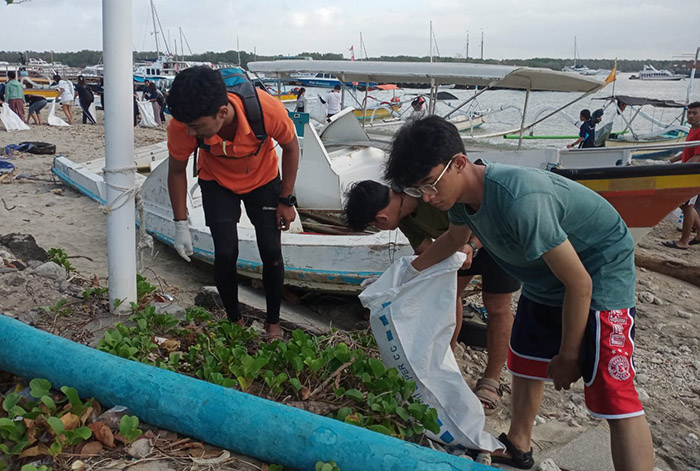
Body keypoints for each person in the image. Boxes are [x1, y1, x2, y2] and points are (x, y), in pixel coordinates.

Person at [384, 116, 654, 470]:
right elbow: (453, 240)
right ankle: (518, 445)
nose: (428, 197)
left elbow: (580, 283)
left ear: (460, 163)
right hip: (546, 276)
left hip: (598, 269)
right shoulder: (462, 201)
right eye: (419, 191)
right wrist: (400, 279)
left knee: (613, 392)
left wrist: (569, 354)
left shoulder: (519, 198)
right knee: (525, 361)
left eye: (430, 184)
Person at [344, 180, 520, 414]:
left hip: (497, 236)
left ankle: (492, 379)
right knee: (450, 293)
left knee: (497, 305)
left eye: (373, 226)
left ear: (381, 218)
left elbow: (485, 212)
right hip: (459, 246)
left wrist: (471, 246)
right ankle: (446, 360)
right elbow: (428, 255)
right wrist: (394, 282)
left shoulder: (427, 193)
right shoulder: (406, 219)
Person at [166, 66, 300, 340]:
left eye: (198, 127)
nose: (191, 133)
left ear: (222, 112)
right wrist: (180, 224)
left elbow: (291, 146)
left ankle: (273, 324)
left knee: (272, 253)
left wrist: (286, 199)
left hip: (263, 179)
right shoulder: (184, 124)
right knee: (226, 253)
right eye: (188, 126)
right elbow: (177, 171)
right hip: (216, 181)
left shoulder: (266, 110)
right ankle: (235, 321)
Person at [662, 101, 700, 250]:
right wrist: (670, 162)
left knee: (687, 206)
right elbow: (687, 152)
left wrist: (679, 172)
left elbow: (697, 157)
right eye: (689, 112)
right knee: (686, 205)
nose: (690, 116)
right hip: (688, 171)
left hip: (692, 174)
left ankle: (683, 241)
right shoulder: (693, 130)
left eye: (694, 113)